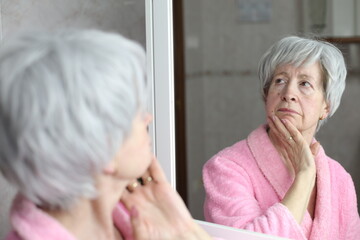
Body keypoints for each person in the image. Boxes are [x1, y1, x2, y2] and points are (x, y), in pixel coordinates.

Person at [0, 29, 212, 240]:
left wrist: (185, 230)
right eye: (136, 113)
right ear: (104, 151)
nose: (148, 118)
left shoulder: (136, 214)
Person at [203, 36, 360, 240]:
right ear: (267, 95)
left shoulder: (340, 179)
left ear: (326, 106)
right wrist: (304, 176)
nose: (288, 93)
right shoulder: (226, 168)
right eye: (280, 81)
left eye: (304, 83)